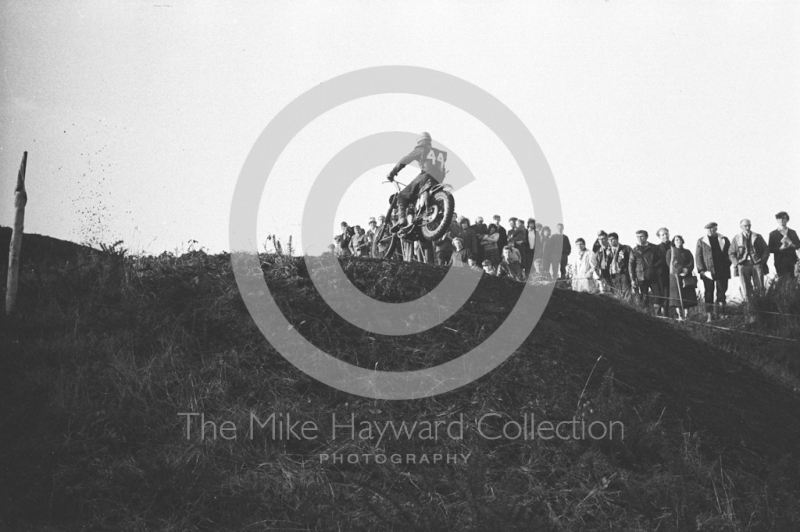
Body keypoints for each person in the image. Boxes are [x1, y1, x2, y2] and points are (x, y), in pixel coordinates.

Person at [386, 132, 447, 232]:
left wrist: (392, 173)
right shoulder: (440, 153)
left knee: (401, 196)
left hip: (426, 175)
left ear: (420, 141)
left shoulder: (421, 149)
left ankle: (402, 220)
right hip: (438, 179)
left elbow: (405, 160)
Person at [695, 222, 732, 322]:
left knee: (722, 292)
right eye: (708, 229)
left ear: (716, 228)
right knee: (708, 293)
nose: (710, 230)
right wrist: (702, 271)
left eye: (712, 228)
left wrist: (727, 264)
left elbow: (730, 253)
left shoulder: (724, 239)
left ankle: (721, 313)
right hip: (708, 272)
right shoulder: (701, 241)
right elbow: (698, 257)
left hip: (722, 271)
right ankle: (709, 316)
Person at [729, 218, 770, 300]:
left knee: (760, 286)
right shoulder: (736, 238)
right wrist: (737, 264)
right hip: (743, 265)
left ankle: (760, 305)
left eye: (749, 225)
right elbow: (731, 253)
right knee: (746, 287)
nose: (747, 227)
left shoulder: (757, 237)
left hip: (756, 264)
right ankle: (750, 307)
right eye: (745, 226)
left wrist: (762, 261)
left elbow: (766, 249)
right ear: (741, 227)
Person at [629, 230, 665, 314]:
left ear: (646, 237)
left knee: (658, 295)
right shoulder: (634, 250)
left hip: (654, 276)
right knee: (644, 297)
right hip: (641, 276)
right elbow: (631, 266)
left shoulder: (654, 248)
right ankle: (646, 314)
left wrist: (654, 266)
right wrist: (632, 280)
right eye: (638, 237)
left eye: (641, 236)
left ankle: (657, 314)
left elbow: (661, 259)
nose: (639, 239)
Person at [666, 235, 698, 320]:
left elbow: (691, 262)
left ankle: (687, 315)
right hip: (675, 276)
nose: (678, 241)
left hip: (686, 276)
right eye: (676, 240)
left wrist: (686, 270)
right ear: (673, 242)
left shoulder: (687, 252)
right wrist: (679, 270)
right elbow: (670, 263)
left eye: (680, 240)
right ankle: (679, 315)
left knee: (687, 296)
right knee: (677, 297)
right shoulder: (670, 252)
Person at [768, 211, 800, 278]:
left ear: (787, 220)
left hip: (792, 260)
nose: (781, 220)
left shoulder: (792, 232)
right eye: (779, 218)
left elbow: (798, 244)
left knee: (793, 281)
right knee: (782, 281)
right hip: (780, 261)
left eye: (783, 218)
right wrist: (780, 248)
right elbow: (770, 248)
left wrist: (793, 245)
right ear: (777, 220)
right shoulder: (773, 234)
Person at [607, 232, 632, 298]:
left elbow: (631, 262)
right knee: (617, 294)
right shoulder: (608, 251)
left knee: (626, 293)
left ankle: (628, 306)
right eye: (609, 240)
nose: (610, 241)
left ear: (617, 239)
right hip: (613, 274)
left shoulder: (625, 248)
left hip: (624, 273)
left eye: (612, 239)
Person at [656, 228, 673, 316]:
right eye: (663, 235)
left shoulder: (674, 245)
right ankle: (662, 312)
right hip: (662, 273)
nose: (665, 236)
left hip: (673, 273)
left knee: (672, 293)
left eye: (666, 234)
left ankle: (672, 313)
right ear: (659, 237)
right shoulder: (657, 248)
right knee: (663, 292)